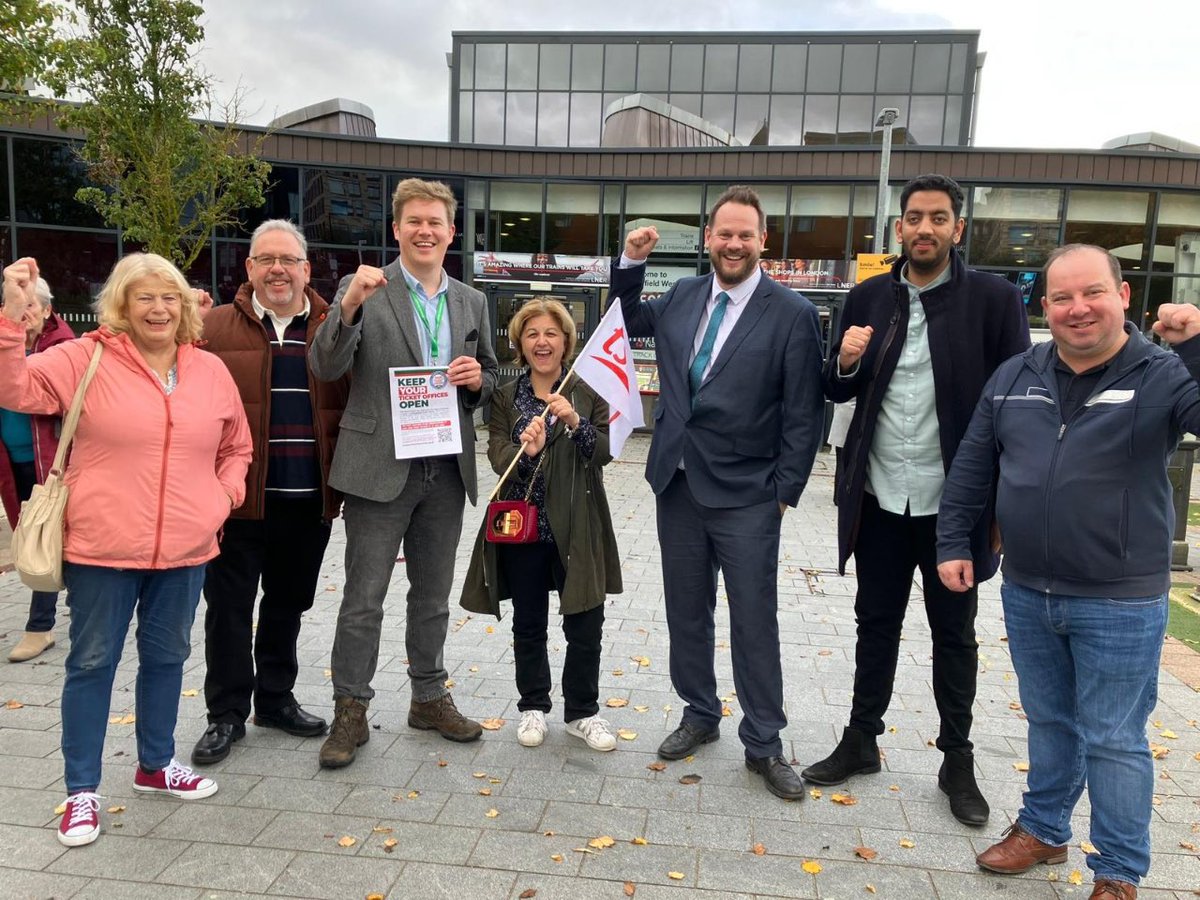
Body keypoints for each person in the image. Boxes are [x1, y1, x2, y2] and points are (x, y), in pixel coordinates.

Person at [937, 244, 1198, 900]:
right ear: (1044, 306)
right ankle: (1045, 829)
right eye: (1061, 297)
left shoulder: (1162, 375)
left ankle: (1117, 872)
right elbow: (973, 462)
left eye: (1092, 293)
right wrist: (952, 541)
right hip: (1028, 589)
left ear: (1122, 298)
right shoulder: (1017, 374)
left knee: (1113, 738)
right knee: (1049, 720)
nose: (1078, 308)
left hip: (1119, 599)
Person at [0, 254, 252, 847]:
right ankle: (81, 792)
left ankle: (155, 766)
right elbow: (15, 388)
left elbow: (236, 444)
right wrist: (12, 319)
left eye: (169, 297)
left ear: (185, 307)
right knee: (91, 665)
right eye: (144, 297)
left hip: (187, 549)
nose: (158, 308)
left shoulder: (209, 370)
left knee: (167, 660)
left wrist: (221, 499)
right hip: (102, 547)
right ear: (121, 304)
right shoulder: (81, 358)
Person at [802, 173, 1029, 827]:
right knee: (875, 623)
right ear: (898, 227)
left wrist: (1000, 512)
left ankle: (957, 759)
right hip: (877, 500)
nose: (923, 228)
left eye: (937, 218)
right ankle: (861, 740)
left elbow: (1015, 408)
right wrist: (843, 362)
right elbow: (836, 392)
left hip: (952, 509)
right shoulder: (868, 295)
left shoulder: (993, 300)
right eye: (913, 217)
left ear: (958, 227)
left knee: (953, 635)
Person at [607, 185, 825, 800]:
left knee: (754, 619)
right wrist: (629, 262)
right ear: (708, 238)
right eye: (723, 233)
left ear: (763, 242)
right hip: (677, 481)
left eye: (745, 234)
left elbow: (803, 415)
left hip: (750, 493)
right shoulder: (681, 296)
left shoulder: (794, 315)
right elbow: (625, 321)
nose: (733, 243)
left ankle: (765, 742)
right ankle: (700, 713)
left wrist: (785, 491)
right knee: (686, 609)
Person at [310, 177, 498, 768]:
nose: (425, 230)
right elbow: (325, 362)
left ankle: (427, 697)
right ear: (396, 229)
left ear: (451, 231)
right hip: (378, 468)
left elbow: (492, 376)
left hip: (444, 468)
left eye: (435, 221)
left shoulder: (471, 301)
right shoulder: (364, 287)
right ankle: (350, 709)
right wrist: (346, 310)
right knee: (364, 597)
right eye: (413, 221)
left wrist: (478, 380)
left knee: (434, 596)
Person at [190, 220, 350, 765]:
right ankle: (226, 714)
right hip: (237, 501)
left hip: (308, 498)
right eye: (265, 259)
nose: (277, 268)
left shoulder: (335, 326)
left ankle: (275, 700)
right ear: (249, 268)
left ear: (307, 270)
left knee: (287, 604)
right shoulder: (210, 328)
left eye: (288, 259)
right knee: (228, 608)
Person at [460, 299, 622, 751]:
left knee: (585, 623)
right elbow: (494, 454)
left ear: (566, 341)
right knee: (528, 623)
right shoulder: (506, 397)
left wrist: (574, 423)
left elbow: (605, 452)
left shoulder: (587, 390)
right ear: (519, 344)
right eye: (531, 334)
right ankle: (533, 706)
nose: (541, 342)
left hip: (578, 523)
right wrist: (521, 448)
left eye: (551, 333)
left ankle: (582, 713)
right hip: (523, 525)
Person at [1, 276, 74, 662]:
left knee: (53, 534)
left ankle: (41, 627)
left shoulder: (64, 349)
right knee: (33, 536)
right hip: (13, 463)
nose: (25, 313)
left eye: (33, 305)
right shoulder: (3, 346)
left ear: (47, 310)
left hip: (56, 463)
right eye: (19, 304)